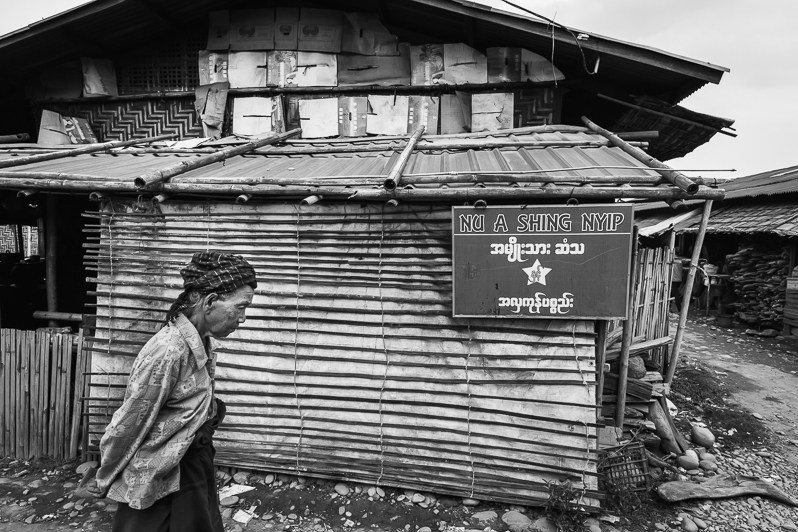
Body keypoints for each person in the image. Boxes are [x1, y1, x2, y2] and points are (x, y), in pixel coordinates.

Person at [81, 251, 257, 532]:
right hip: (159, 473)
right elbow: (129, 422)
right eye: (241, 307)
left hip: (189, 467)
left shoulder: (200, 343)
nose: (244, 317)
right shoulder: (168, 351)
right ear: (210, 302)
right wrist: (105, 476)